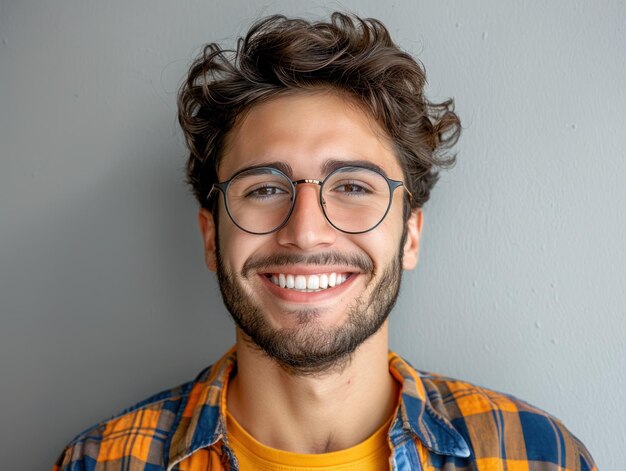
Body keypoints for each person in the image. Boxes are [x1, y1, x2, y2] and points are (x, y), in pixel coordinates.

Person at [54, 13, 596, 471]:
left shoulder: (536, 454)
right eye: (264, 188)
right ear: (211, 236)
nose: (306, 231)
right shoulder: (100, 461)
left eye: (354, 186)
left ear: (410, 235)